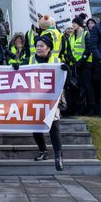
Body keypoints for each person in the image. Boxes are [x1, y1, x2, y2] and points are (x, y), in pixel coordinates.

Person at [26, 34, 68, 171]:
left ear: (48, 48)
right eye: (37, 46)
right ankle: (43, 151)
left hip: (52, 99)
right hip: (34, 99)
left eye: (41, 46)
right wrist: (14, 66)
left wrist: (68, 70)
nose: (38, 48)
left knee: (54, 127)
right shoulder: (29, 60)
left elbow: (66, 77)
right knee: (36, 128)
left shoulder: (57, 60)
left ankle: (58, 157)